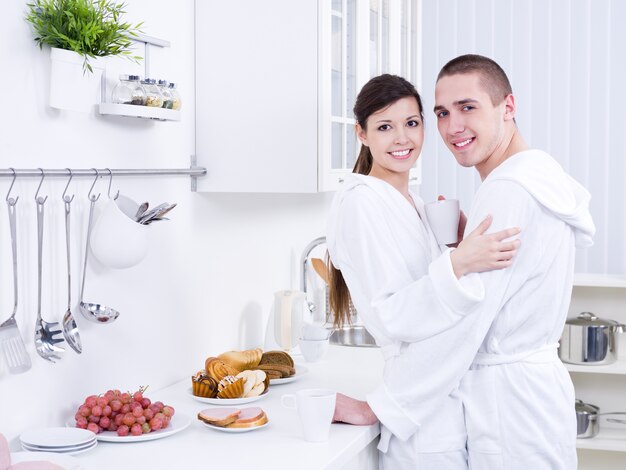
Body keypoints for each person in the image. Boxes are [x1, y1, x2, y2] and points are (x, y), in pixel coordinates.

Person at [325, 74, 521, 469]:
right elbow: (392, 314)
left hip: (440, 397)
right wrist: (459, 262)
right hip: (417, 411)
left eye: (412, 123)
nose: (402, 138)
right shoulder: (361, 202)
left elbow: (426, 287)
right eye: (385, 127)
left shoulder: (413, 200)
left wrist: (454, 247)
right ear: (361, 134)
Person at [431, 54, 595, 469]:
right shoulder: (538, 174)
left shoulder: (508, 191)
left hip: (509, 408)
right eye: (442, 113)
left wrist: (383, 406)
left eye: (468, 107)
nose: (453, 127)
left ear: (508, 107)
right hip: (534, 396)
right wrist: (463, 250)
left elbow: (466, 323)